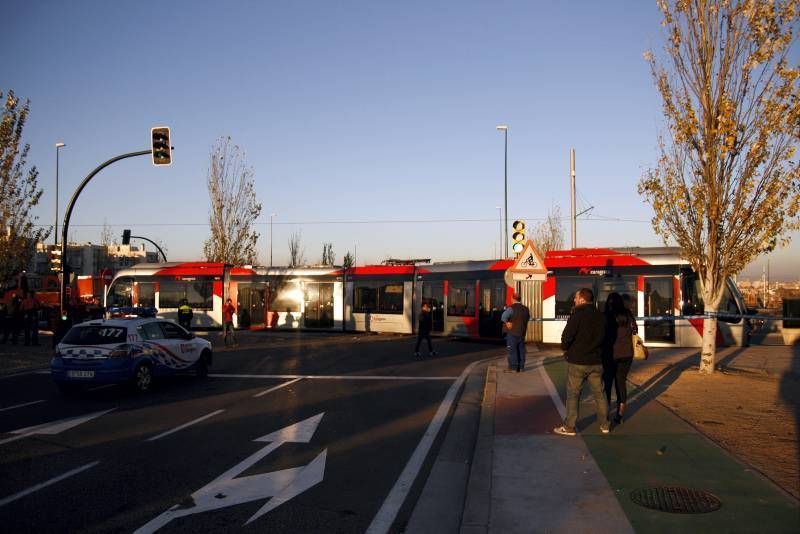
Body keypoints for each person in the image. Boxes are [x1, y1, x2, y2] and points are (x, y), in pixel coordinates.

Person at [554, 288, 609, 436]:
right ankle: (604, 425)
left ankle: (570, 427)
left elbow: (566, 336)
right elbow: (606, 338)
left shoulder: (577, 315)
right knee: (600, 394)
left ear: (582, 299)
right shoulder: (601, 316)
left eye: (576, 297)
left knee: (573, 394)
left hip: (577, 361)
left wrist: (565, 350)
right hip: (596, 362)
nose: (574, 300)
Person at [603, 292, 637, 425]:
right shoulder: (628, 315)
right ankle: (620, 415)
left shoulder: (605, 316)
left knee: (607, 384)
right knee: (621, 383)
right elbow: (635, 330)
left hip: (610, 355)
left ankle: (604, 414)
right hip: (626, 355)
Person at [501, 292, 530, 372]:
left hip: (512, 333)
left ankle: (513, 368)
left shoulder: (511, 308)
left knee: (512, 350)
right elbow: (527, 319)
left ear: (513, 299)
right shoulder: (526, 309)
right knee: (521, 350)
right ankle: (521, 367)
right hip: (522, 333)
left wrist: (507, 323)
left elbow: (503, 317)